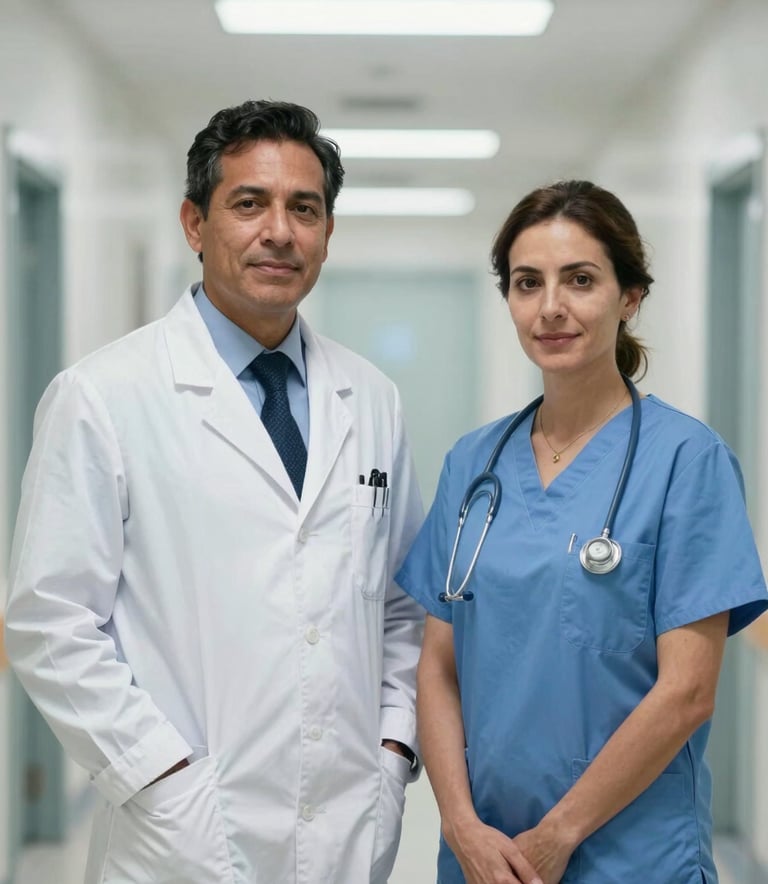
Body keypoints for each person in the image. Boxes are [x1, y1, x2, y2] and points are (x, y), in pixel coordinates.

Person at [5, 99, 424, 884]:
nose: (280, 231)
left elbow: (401, 605)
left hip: (347, 828)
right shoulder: (103, 395)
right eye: (248, 203)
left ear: (328, 232)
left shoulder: (370, 398)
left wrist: (396, 751)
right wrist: (163, 780)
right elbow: (50, 620)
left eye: (305, 208)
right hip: (179, 841)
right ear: (195, 225)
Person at [395, 180, 768, 884]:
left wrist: (557, 836)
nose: (551, 308)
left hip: (632, 858)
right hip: (486, 857)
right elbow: (438, 664)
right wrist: (460, 826)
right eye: (528, 283)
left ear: (630, 297)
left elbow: (687, 691)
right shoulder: (475, 464)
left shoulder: (687, 461)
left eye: (581, 280)